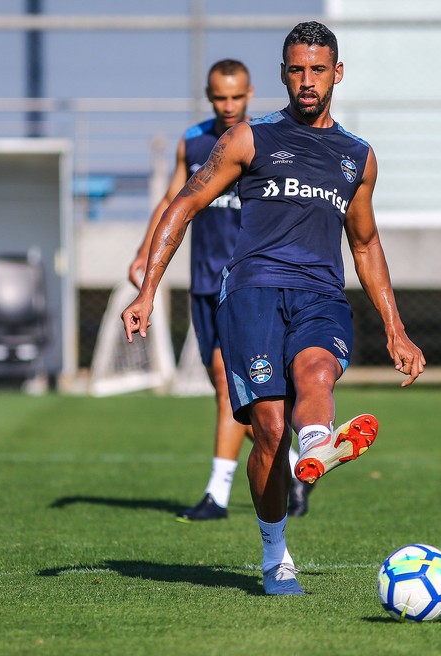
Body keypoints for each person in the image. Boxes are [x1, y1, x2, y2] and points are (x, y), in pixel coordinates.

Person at [122, 22, 425, 595]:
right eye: (296, 70)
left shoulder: (357, 157)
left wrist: (396, 329)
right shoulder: (248, 139)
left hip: (321, 296)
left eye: (318, 69)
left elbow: (364, 243)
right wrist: (147, 290)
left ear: (337, 73)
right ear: (284, 73)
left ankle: (316, 447)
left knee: (314, 371)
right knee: (267, 428)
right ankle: (275, 549)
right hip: (253, 293)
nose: (307, 81)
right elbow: (184, 204)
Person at [128, 59, 314, 522]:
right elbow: (175, 202)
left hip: (245, 288)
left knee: (227, 389)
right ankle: (292, 465)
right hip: (202, 285)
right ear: (209, 96)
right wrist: (142, 253)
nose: (229, 106)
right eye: (220, 97)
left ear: (250, 93)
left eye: (237, 97)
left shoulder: (262, 142)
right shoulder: (192, 142)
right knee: (228, 391)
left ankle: (218, 492)